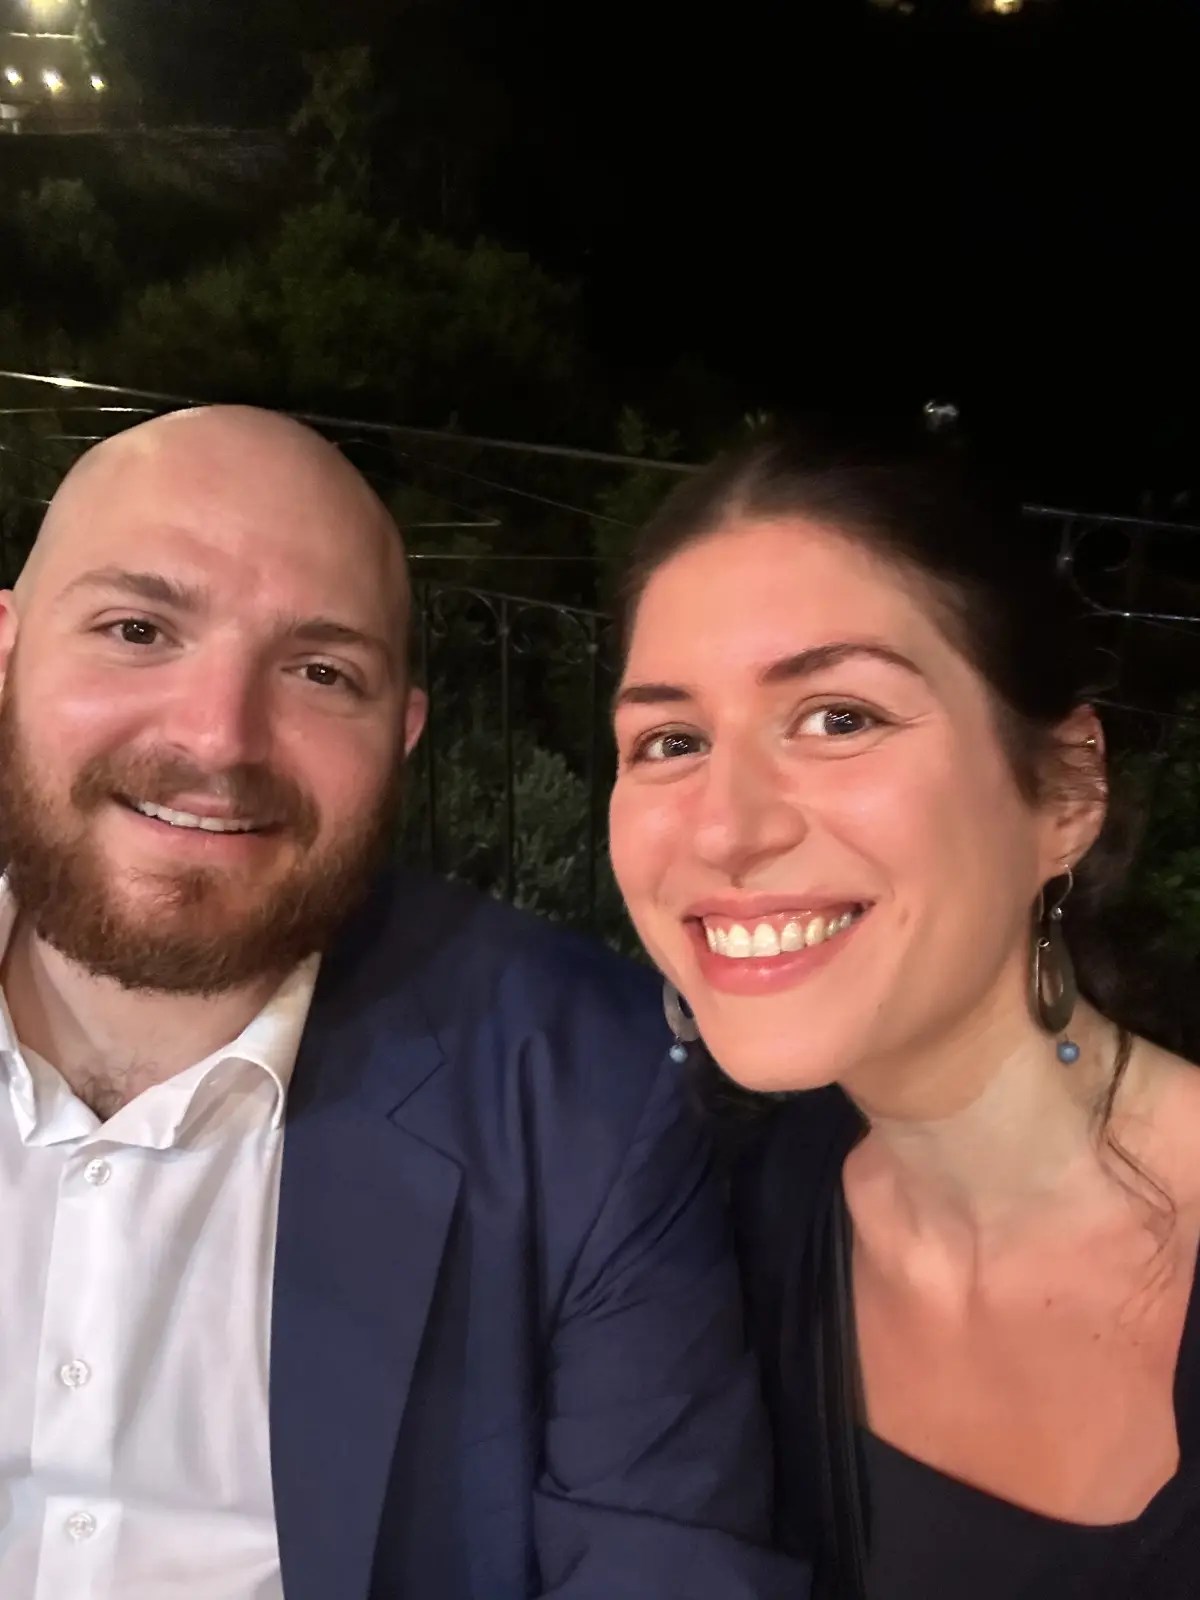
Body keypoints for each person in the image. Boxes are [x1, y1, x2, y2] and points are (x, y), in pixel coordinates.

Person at [0, 406, 804, 1600]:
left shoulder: (582, 1099)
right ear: (6, 655)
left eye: (322, 673)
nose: (218, 736)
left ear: (403, 735)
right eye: (137, 630)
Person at [608, 424, 1200, 1600]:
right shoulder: (726, 1224)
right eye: (671, 740)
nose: (726, 828)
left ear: (1065, 791)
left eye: (839, 717)